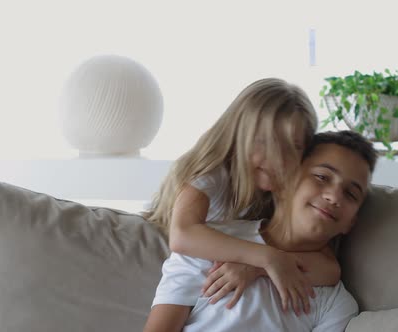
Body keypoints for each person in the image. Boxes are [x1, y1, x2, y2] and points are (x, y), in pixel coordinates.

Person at [143, 130, 378, 331]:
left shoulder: (335, 302)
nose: (334, 196)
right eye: (321, 177)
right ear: (285, 181)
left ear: (351, 222)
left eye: (350, 194)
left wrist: (257, 268)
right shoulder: (209, 243)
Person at [143, 78, 341, 315]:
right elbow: (182, 236)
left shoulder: (288, 193)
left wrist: (258, 267)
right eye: (265, 142)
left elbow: (330, 270)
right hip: (188, 267)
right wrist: (267, 257)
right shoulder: (212, 174)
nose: (277, 159)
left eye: (292, 147)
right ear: (238, 135)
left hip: (229, 285)